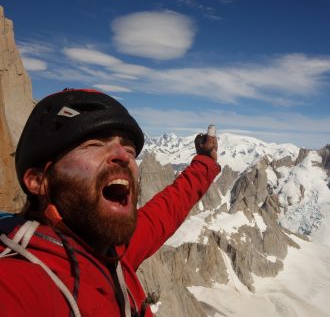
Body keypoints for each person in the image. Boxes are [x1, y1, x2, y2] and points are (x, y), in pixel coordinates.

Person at [0, 89, 220, 317]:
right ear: (39, 181)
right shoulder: (19, 281)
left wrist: (204, 161)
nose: (124, 157)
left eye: (129, 149)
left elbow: (165, 211)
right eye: (94, 144)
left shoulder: (112, 251)